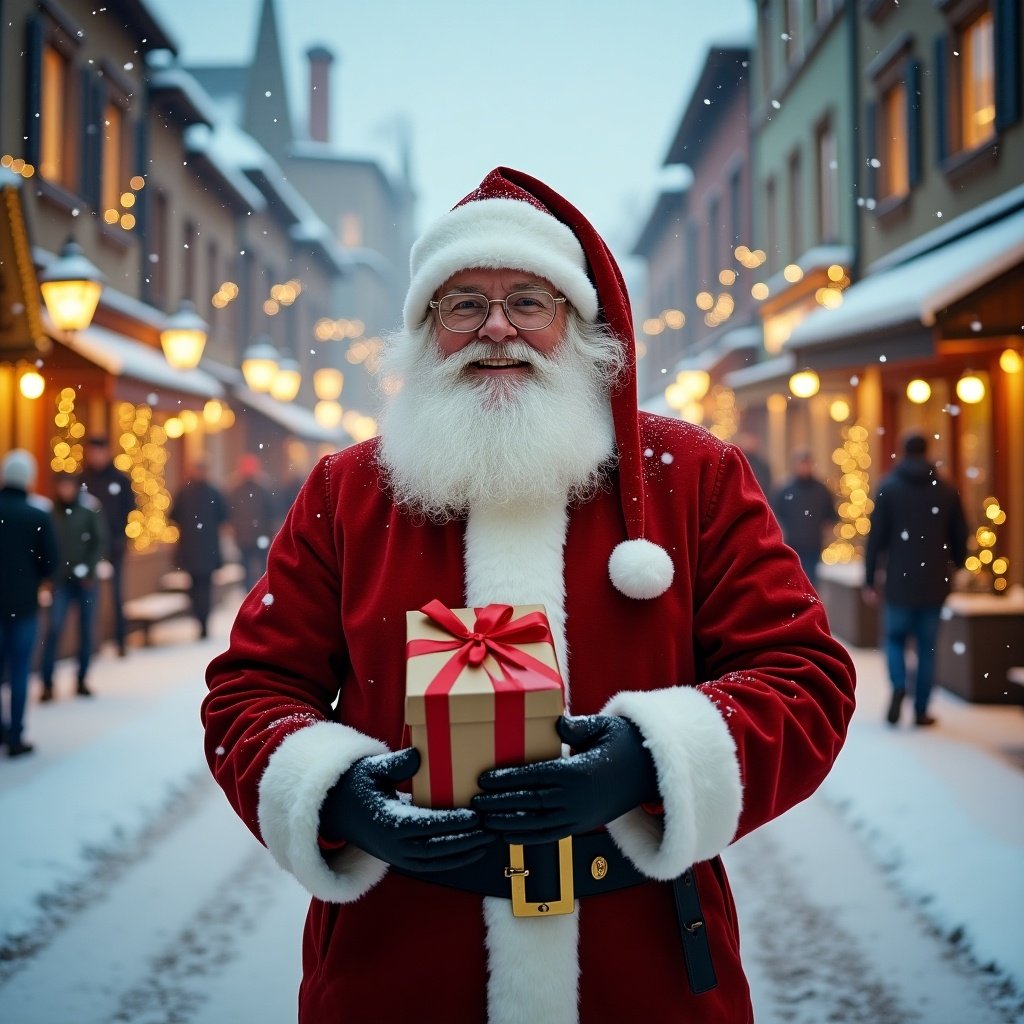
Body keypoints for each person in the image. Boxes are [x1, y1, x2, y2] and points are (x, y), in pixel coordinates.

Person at [203, 167, 856, 1024]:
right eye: (463, 304)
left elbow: (803, 678)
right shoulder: (347, 492)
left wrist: (649, 760)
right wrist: (334, 795)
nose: (497, 330)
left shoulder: (692, 479)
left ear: (579, 325)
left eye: (529, 303)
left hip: (642, 964)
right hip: (399, 964)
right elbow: (251, 693)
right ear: (425, 330)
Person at [864, 432, 967, 727]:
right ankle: (921, 709)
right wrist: (956, 565)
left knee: (894, 640)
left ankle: (898, 684)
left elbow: (876, 538)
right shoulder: (946, 488)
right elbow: (960, 533)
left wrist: (870, 577)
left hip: (899, 580)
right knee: (927, 647)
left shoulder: (890, 487)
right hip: (934, 581)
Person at [0, 451, 59, 756]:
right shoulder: (36, 515)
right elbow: (52, 562)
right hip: (24, 606)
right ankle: (15, 736)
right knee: (20, 670)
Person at [40, 472, 107, 700]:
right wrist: (49, 574)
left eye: (69, 486)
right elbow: (45, 546)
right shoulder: (51, 513)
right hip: (60, 581)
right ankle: (47, 683)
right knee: (54, 630)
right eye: (62, 486)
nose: (65, 490)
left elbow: (99, 542)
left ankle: (82, 679)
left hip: (85, 581)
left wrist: (87, 570)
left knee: (86, 630)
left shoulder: (88, 510)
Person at [80, 435, 135, 656]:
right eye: (91, 452)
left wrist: (120, 536)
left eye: (98, 452)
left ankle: (120, 640)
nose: (95, 456)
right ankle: (92, 645)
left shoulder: (120, 481)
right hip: (88, 549)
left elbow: (128, 509)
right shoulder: (83, 480)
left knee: (116, 595)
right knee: (90, 597)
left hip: (114, 545)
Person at [170, 460, 228, 640]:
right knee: (198, 587)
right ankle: (201, 619)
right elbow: (223, 518)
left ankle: (202, 620)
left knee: (201, 587)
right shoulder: (199, 492)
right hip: (198, 548)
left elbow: (174, 517)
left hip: (198, 548)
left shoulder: (190, 492)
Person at [770, 448, 838, 587]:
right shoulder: (784, 489)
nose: (804, 467)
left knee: (811, 583)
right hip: (791, 545)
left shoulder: (821, 490)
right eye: (801, 464)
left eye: (807, 464)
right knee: (792, 583)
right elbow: (774, 514)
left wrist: (825, 532)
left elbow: (831, 515)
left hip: (813, 545)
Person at [228, 453, 276, 591]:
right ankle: (255, 591)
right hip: (253, 535)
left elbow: (270, 512)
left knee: (252, 566)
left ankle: (254, 591)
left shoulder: (239, 489)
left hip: (252, 535)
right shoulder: (259, 488)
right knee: (253, 566)